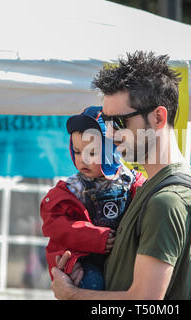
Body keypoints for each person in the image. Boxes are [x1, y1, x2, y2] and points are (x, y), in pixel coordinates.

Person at [50, 51, 191, 300]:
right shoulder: (149, 188)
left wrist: (72, 294)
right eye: (106, 123)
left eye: (119, 122)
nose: (110, 134)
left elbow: (143, 301)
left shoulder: (167, 200)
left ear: (158, 117)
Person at [40, 106, 146, 290]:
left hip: (125, 260)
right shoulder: (71, 190)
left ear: (112, 150)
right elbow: (54, 225)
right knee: (92, 284)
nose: (83, 160)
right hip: (85, 261)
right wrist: (93, 237)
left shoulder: (133, 183)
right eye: (78, 151)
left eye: (92, 152)